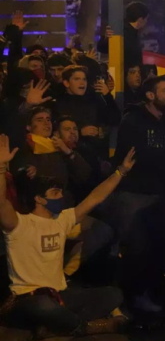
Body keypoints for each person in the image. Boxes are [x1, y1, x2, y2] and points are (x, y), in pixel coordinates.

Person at [0, 134, 134, 337]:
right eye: (55, 193)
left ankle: (53, 327)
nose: (61, 197)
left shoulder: (62, 219)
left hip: (59, 296)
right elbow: (1, 204)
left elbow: (95, 197)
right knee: (42, 306)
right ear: (39, 198)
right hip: (27, 299)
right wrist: (1, 168)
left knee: (114, 294)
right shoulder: (20, 224)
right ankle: (85, 327)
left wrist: (121, 171)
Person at [101, 76, 165, 312]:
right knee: (137, 248)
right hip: (134, 194)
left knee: (164, 246)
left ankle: (154, 293)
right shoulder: (133, 120)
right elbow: (141, 156)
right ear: (150, 95)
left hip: (159, 193)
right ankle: (130, 299)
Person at [97, 2, 148, 71]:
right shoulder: (121, 31)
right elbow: (103, 48)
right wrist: (106, 38)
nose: (146, 22)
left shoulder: (133, 33)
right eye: (146, 19)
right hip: (122, 74)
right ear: (140, 19)